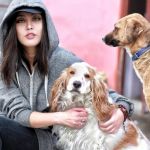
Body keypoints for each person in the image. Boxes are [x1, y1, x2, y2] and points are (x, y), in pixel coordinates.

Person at [0, 0, 134, 150]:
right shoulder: (3, 63)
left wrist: (121, 111)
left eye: (36, 19)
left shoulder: (62, 59)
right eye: (21, 20)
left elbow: (108, 92)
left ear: (45, 25)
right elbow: (19, 113)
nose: (29, 26)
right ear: (12, 27)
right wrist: (62, 117)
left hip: (54, 141)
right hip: (17, 133)